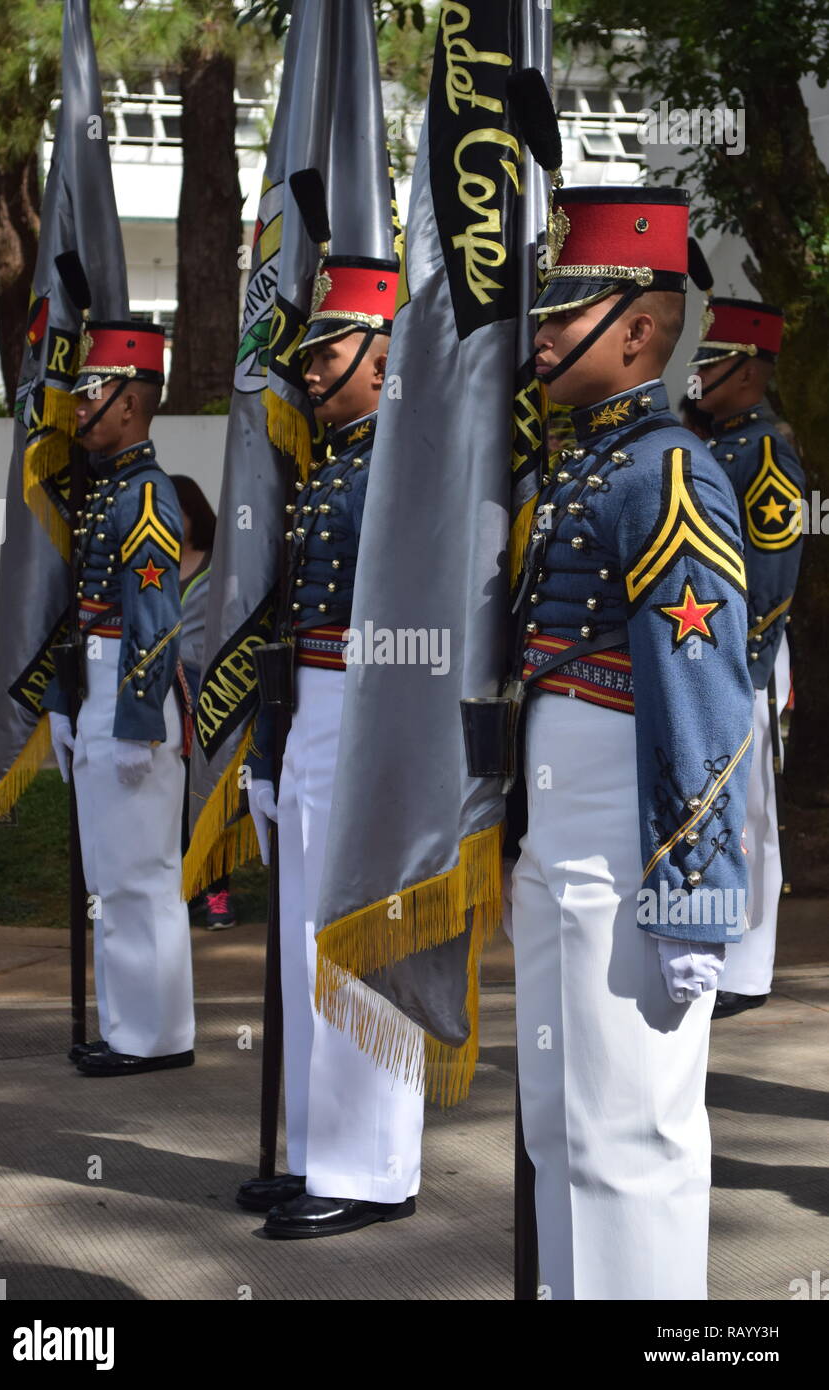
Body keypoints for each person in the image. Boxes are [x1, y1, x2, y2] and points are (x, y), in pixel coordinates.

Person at [510, 186, 753, 1298]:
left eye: (566, 311)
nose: (543, 332)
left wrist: (695, 893)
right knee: (561, 1131)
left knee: (632, 1139)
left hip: (629, 835)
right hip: (561, 838)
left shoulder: (663, 469)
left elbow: (699, 697)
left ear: (640, 329)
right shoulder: (580, 465)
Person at [235, 178, 425, 1239]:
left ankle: (370, 1167)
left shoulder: (403, 470)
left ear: (384, 357)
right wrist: (271, 744)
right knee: (311, 938)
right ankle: (316, 1149)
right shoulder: (331, 468)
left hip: (366, 718)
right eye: (309, 353)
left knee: (356, 941)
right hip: (311, 710)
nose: (308, 368)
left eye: (330, 351)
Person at [44, 322, 195, 1077]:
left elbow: (155, 619)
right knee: (113, 873)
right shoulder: (107, 488)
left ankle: (156, 1036)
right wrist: (63, 701)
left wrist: (136, 720)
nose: (78, 407)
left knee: (141, 875)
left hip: (130, 700)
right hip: (97, 689)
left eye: (92, 392)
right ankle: (129, 1026)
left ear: (131, 404)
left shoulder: (144, 497)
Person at [690, 298, 804, 1018]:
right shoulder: (711, 440)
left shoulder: (763, 452)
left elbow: (771, 572)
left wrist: (745, 662)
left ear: (751, 369)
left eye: (713, 360)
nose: (699, 372)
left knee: (751, 810)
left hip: (747, 646)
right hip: (709, 644)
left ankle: (748, 968)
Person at [172, 474, 236, 931]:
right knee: (167, 797)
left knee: (208, 793)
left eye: (180, 512)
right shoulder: (143, 563)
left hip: (205, 693)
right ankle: (179, 889)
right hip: (157, 697)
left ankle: (217, 895)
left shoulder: (219, 566)